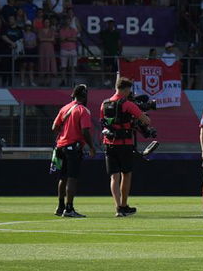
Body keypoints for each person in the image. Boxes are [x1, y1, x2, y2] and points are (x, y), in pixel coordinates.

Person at [100, 75, 152, 218]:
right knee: (126, 174)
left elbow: (103, 122)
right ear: (125, 89)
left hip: (109, 144)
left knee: (114, 177)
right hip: (125, 144)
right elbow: (146, 121)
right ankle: (124, 205)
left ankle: (117, 208)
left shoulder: (104, 104)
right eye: (129, 90)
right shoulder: (128, 104)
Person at [50, 82, 94, 218]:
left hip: (60, 146)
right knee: (72, 178)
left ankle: (60, 206)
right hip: (73, 147)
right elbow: (85, 130)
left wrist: (64, 134)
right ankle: (69, 209)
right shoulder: (83, 110)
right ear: (85, 96)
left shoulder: (64, 108)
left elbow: (54, 127)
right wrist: (91, 147)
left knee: (62, 177)